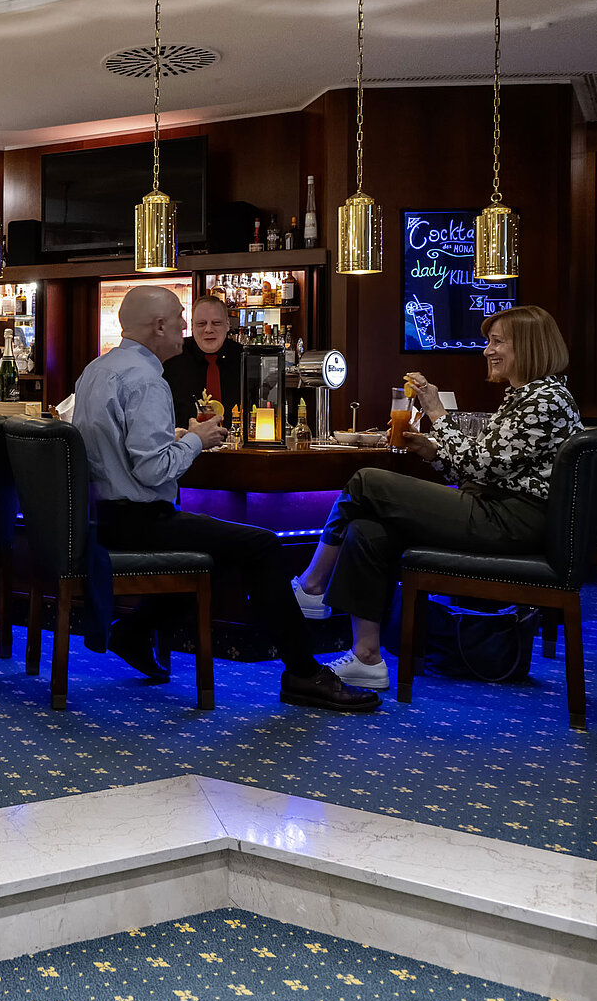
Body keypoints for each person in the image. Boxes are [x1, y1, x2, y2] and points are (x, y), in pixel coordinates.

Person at [72, 286, 379, 713]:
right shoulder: (146, 380)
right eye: (180, 318)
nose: (185, 326)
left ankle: (134, 630)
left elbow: (121, 450)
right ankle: (304, 674)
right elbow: (153, 471)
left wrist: (177, 438)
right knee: (263, 545)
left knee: (225, 553)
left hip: (98, 518)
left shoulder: (97, 369)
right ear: (159, 326)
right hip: (138, 520)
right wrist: (196, 440)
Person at [292, 305, 584, 689]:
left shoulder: (543, 400)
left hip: (509, 520)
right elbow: (480, 468)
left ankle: (313, 585)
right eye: (488, 342)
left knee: (366, 482)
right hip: (498, 512)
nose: (487, 350)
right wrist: (432, 451)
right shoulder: (530, 396)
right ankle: (367, 658)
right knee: (366, 529)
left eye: (497, 342)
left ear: (528, 346)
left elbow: (480, 466)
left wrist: (435, 411)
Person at [163, 293, 243, 428]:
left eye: (216, 323)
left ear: (227, 324)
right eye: (201, 324)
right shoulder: (171, 357)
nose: (208, 329)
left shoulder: (244, 357)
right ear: (192, 326)